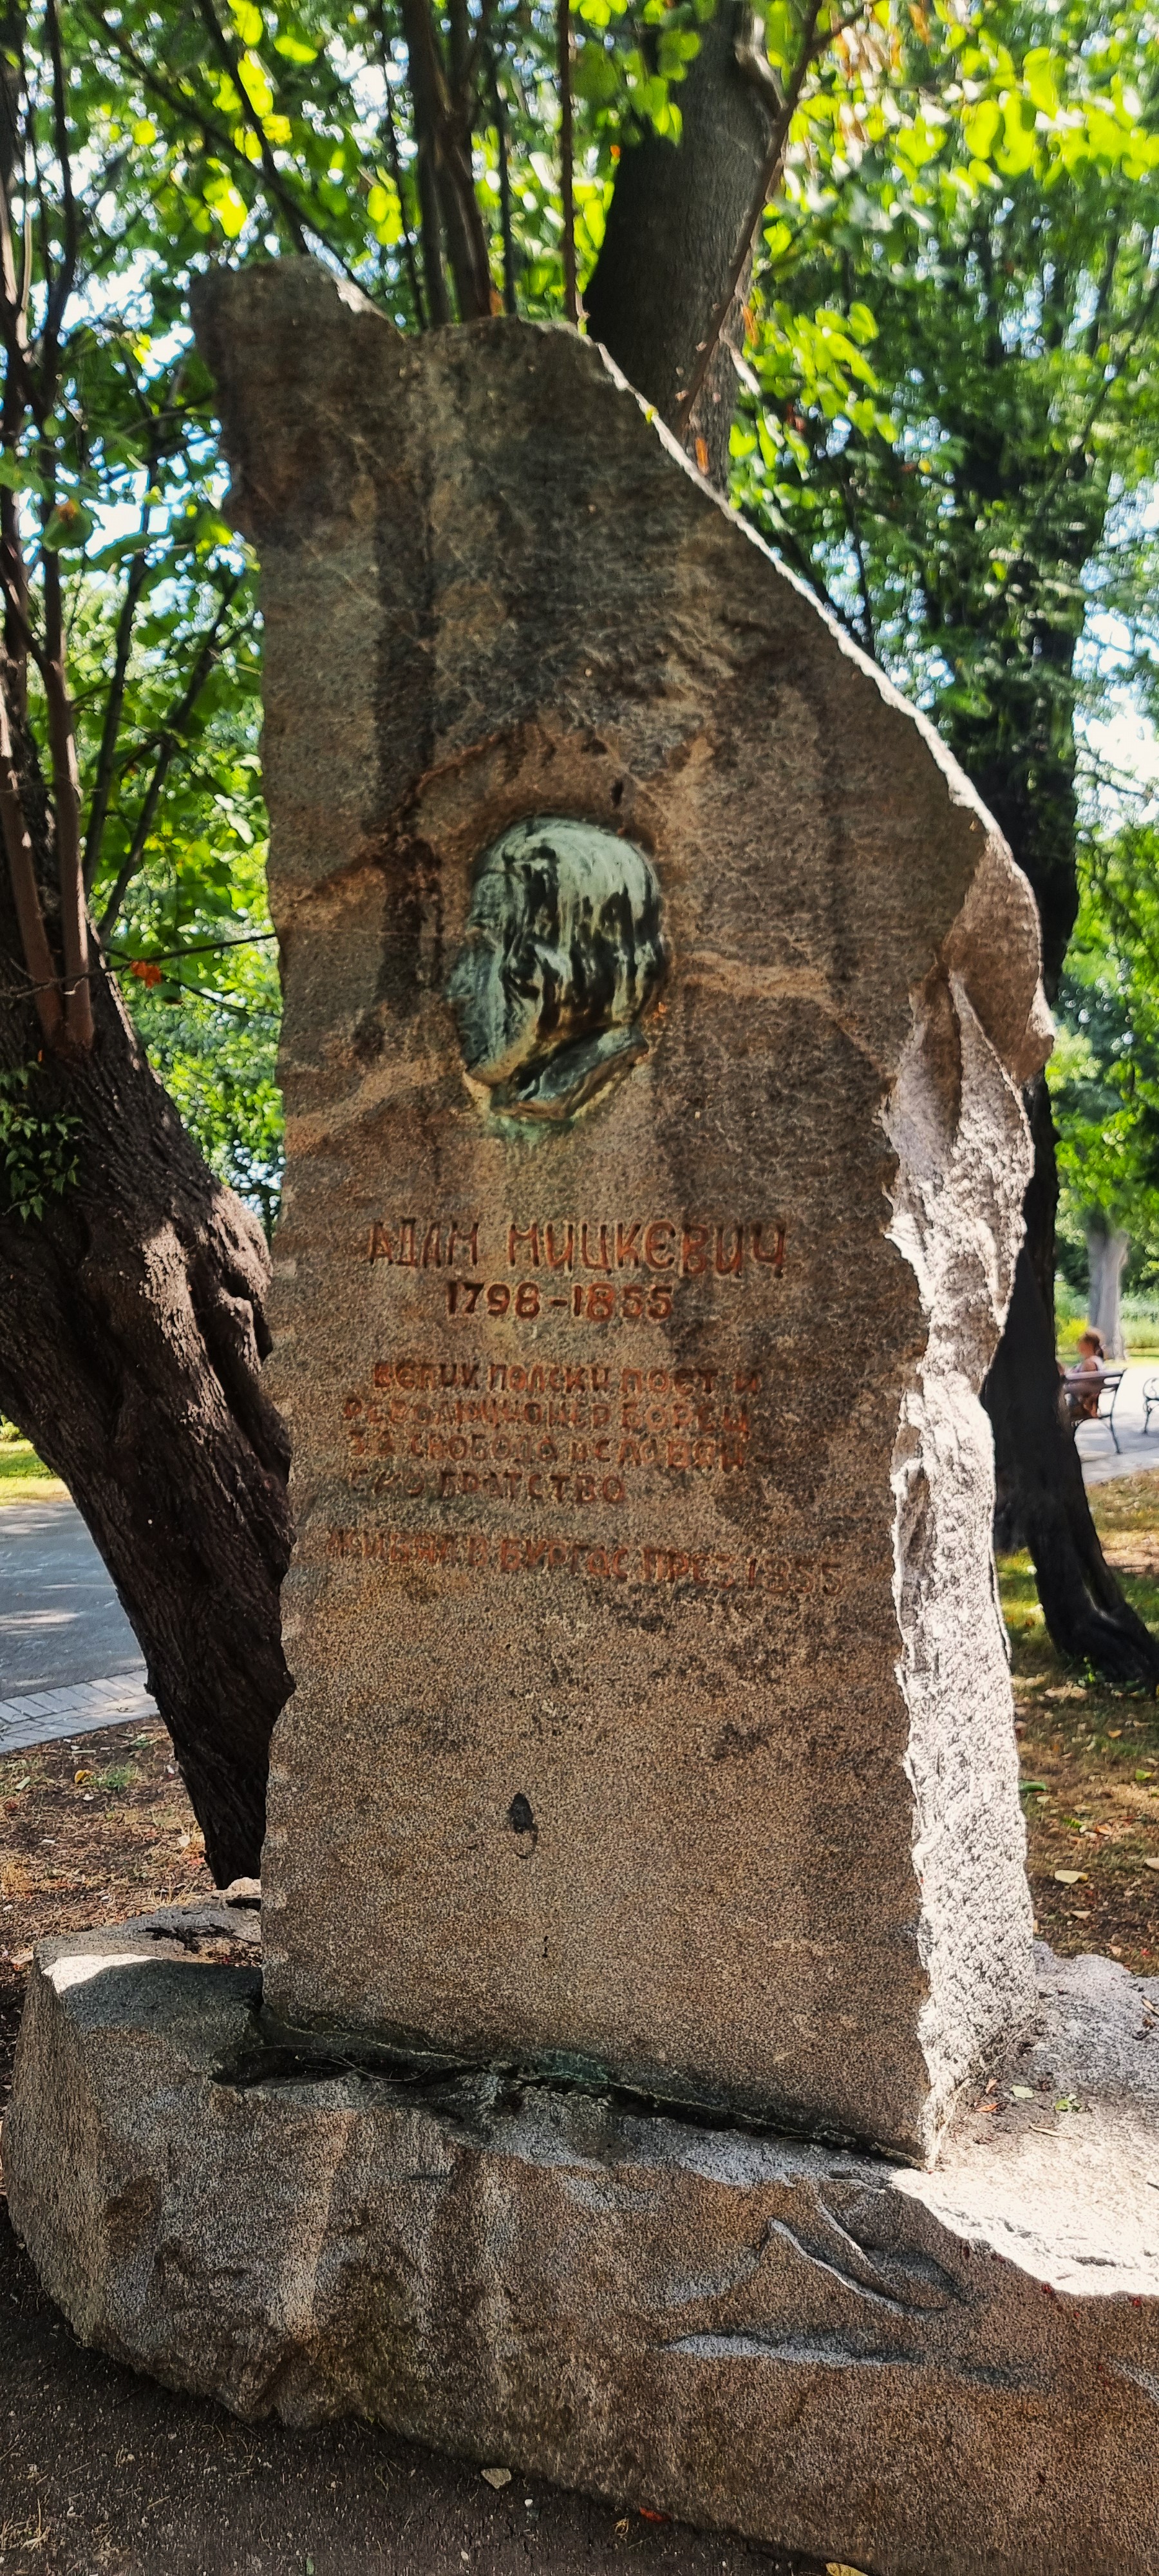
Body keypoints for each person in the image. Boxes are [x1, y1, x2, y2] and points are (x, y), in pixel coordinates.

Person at [1064, 1329, 1106, 1423]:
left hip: (1079, 1407)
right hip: (1082, 1405)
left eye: (1080, 1342)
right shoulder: (1096, 1361)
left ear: (1088, 1345)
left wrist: (1064, 1386)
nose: (1078, 1345)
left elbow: (1084, 1388)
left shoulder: (1090, 1363)